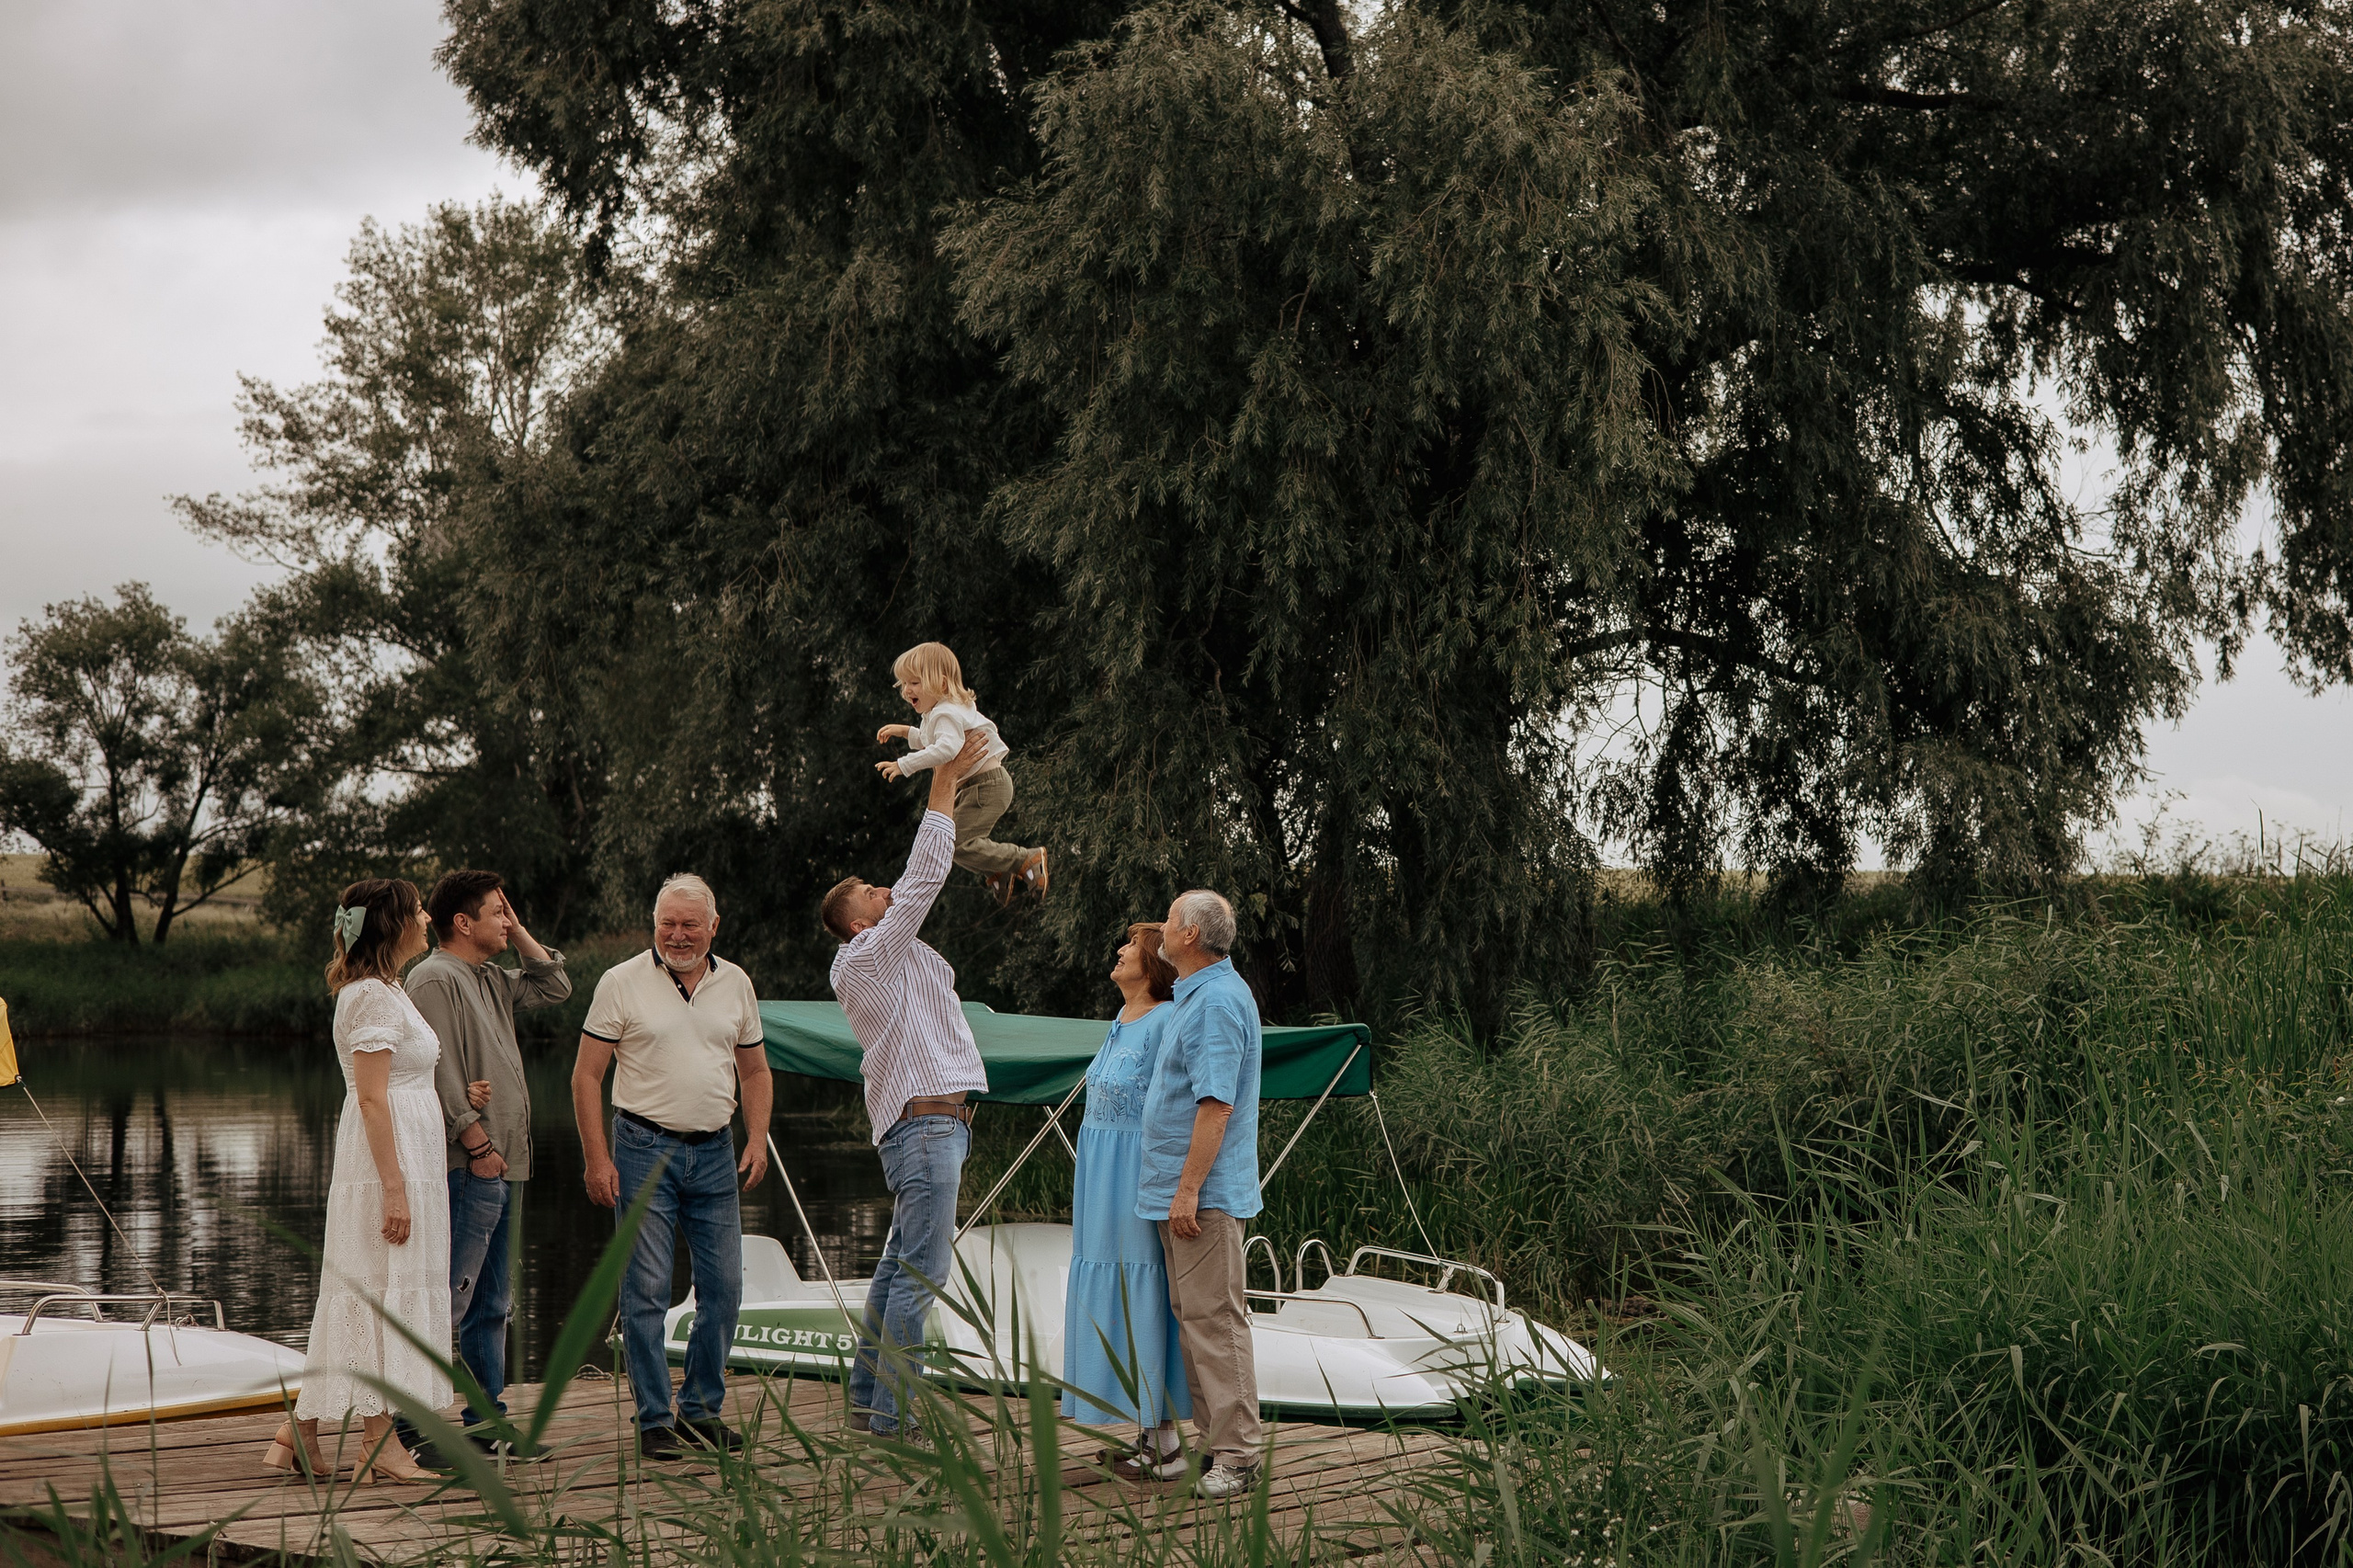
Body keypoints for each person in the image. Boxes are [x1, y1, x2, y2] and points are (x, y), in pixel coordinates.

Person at [821, 730, 994, 1441]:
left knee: (898, 1273)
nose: (886, 889)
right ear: (859, 921)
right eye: (872, 890)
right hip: (925, 1128)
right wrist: (944, 778)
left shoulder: (899, 953)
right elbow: (923, 878)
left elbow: (921, 888)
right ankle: (894, 1420)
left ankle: (870, 1406)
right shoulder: (866, 955)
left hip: (929, 1127)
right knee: (921, 1278)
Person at [572, 873, 771, 1460]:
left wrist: (757, 1137)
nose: (677, 935)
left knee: (726, 1291)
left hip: (715, 1151)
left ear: (714, 926)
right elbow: (586, 1075)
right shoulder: (621, 982)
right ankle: (655, 1418)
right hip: (641, 1149)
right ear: (654, 923)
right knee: (647, 1292)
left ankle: (702, 1412)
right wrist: (595, 1159)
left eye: (689, 924)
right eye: (667, 923)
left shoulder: (736, 983)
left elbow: (756, 1072)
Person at [264, 878, 449, 1483]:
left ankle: (300, 1434)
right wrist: (394, 1186)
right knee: (380, 1292)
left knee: (371, 1290)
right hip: (385, 1167)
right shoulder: (370, 995)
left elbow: (400, 1083)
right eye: (418, 910)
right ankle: (379, 1446)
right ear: (392, 926)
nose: (427, 917)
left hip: (408, 1161)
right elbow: (372, 1099)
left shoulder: (387, 990)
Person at [408, 870, 571, 1453]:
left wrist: (518, 928)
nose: (507, 921)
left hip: (506, 1164)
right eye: (497, 913)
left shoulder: (492, 977)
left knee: (493, 1303)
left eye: (509, 913)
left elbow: (555, 987)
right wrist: (475, 1144)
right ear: (462, 922)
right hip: (469, 1162)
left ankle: (485, 1427)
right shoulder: (432, 978)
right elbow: (437, 1066)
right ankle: (409, 1430)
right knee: (449, 1296)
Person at [1136, 888, 1266, 1498]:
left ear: (1189, 936)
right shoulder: (1199, 995)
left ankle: (1238, 1458)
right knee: (1196, 1320)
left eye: (1168, 919)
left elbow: (1216, 1107)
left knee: (1215, 1320)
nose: (1160, 927)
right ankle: (1217, 1448)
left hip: (1202, 1196)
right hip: (1181, 1192)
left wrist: (1188, 1191)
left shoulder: (1214, 1001)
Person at [1062, 923, 1190, 1476]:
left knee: (1143, 1287)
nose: (1118, 949)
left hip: (1137, 1171)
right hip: (1099, 1171)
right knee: (1112, 1282)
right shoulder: (1119, 1020)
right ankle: (1148, 1434)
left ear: (1155, 963)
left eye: (1132, 945)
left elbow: (1179, 1102)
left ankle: (1167, 1444)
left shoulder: (1165, 1019)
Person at [873, 641, 1047, 904]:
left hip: (987, 786)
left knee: (955, 844)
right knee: (950, 841)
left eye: (915, 683)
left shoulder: (946, 713)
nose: (907, 690)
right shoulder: (941, 712)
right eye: (904, 684)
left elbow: (946, 749)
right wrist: (905, 731)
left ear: (941, 685)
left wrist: (903, 765)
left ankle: (1023, 859)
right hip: (977, 787)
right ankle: (995, 868)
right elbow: (934, 740)